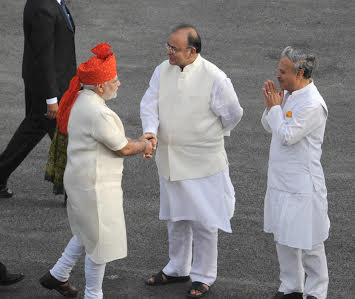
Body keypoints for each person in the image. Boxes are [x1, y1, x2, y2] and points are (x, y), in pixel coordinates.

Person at [39, 43, 154, 298]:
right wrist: (144, 144)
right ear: (101, 86)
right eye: (114, 80)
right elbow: (122, 148)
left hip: (80, 181)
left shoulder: (80, 98)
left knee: (86, 232)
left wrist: (140, 143)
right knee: (99, 244)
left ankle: (58, 274)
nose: (119, 83)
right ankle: (94, 295)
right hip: (96, 187)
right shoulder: (99, 113)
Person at [140, 24, 243, 298]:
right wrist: (150, 130)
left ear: (192, 51)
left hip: (203, 161)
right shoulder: (162, 70)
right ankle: (177, 267)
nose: (169, 52)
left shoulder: (215, 77)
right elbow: (149, 102)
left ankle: (204, 275)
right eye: (168, 46)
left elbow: (233, 113)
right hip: (171, 159)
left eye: (174, 48)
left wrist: (208, 135)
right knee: (176, 217)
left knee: (204, 220)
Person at [261, 46, 329, 299]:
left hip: (303, 187)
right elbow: (269, 126)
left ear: (300, 72)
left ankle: (316, 292)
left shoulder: (313, 104)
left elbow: (288, 136)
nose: (278, 75)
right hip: (280, 182)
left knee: (309, 242)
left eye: (283, 71)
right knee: (284, 237)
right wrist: (272, 107)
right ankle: (291, 287)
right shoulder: (289, 94)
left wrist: (276, 109)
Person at [0, 0, 76, 198]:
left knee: (32, 131)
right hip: (49, 89)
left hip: (51, 84)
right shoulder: (43, 7)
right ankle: (74, 192)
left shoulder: (52, 3)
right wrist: (51, 98)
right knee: (66, 138)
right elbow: (44, 56)